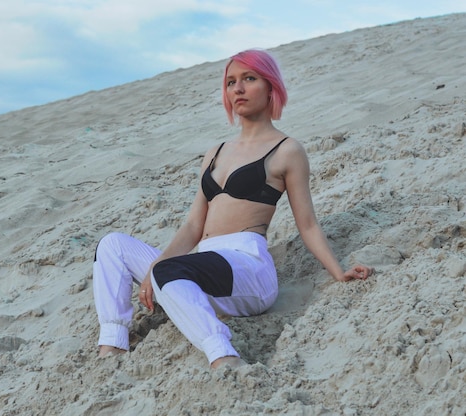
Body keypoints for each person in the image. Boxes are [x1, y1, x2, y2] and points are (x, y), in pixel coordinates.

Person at [92, 48, 374, 369]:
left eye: (249, 79)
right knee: (112, 245)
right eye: (230, 82)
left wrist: (338, 272)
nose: (237, 89)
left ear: (270, 87)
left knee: (170, 270)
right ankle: (112, 346)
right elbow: (192, 226)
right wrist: (155, 267)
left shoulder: (287, 150)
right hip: (203, 267)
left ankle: (223, 356)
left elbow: (307, 224)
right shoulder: (216, 152)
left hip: (247, 270)